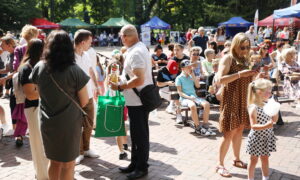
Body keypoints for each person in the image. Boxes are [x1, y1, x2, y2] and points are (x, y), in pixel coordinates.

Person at [29, 30, 90, 180]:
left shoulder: (39, 67)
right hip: (69, 123)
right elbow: (84, 101)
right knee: (68, 164)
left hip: (47, 121)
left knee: (54, 162)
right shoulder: (75, 70)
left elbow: (36, 90)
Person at [109, 25, 153, 179]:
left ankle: (141, 167)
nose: (120, 39)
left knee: (140, 136)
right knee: (136, 134)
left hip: (138, 101)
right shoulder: (136, 49)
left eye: (121, 36)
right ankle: (135, 163)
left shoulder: (136, 52)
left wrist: (120, 86)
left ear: (126, 36)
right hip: (136, 100)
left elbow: (139, 79)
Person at [215, 33, 259, 177]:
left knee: (239, 130)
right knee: (228, 133)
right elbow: (220, 79)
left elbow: (249, 80)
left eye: (247, 47)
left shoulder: (245, 60)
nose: (245, 50)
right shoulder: (228, 58)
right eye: (242, 47)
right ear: (235, 45)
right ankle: (220, 165)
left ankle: (236, 159)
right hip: (231, 100)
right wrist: (240, 74)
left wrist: (256, 76)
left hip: (243, 100)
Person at [18, 38, 49, 180]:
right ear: (40, 50)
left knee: (44, 144)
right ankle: (42, 176)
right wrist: (49, 90)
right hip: (33, 109)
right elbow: (30, 95)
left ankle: (45, 173)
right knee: (37, 144)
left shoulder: (40, 65)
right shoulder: (26, 68)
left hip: (42, 108)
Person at [73, 29, 100, 164]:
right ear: (82, 42)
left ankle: (87, 148)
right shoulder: (69, 57)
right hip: (75, 97)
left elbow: (91, 71)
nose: (91, 44)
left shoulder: (87, 54)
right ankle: (79, 151)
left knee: (89, 124)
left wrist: (96, 86)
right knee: (77, 125)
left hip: (89, 94)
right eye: (89, 42)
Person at [246, 78, 278, 180]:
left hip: (266, 137)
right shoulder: (253, 108)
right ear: (259, 92)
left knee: (265, 158)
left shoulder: (267, 104)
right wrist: (266, 126)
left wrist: (275, 111)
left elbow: (274, 120)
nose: (270, 93)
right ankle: (250, 178)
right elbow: (253, 126)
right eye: (268, 91)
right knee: (253, 160)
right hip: (257, 138)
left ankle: (266, 177)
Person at [175, 59, 216, 136]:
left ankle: (205, 126)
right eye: (188, 67)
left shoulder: (191, 76)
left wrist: (193, 75)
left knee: (206, 104)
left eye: (190, 66)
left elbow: (198, 86)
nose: (190, 68)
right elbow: (179, 92)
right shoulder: (179, 78)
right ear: (182, 69)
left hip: (194, 97)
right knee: (192, 106)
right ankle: (198, 127)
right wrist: (189, 98)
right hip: (184, 99)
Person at [13, 25, 39, 146]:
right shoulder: (40, 47)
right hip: (37, 84)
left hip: (22, 82)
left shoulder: (19, 49)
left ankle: (19, 135)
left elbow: (15, 66)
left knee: (20, 108)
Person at [104, 57, 129, 160]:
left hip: (113, 104)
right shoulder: (117, 79)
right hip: (119, 104)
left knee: (119, 126)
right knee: (121, 126)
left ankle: (123, 147)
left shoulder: (114, 79)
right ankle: (122, 149)